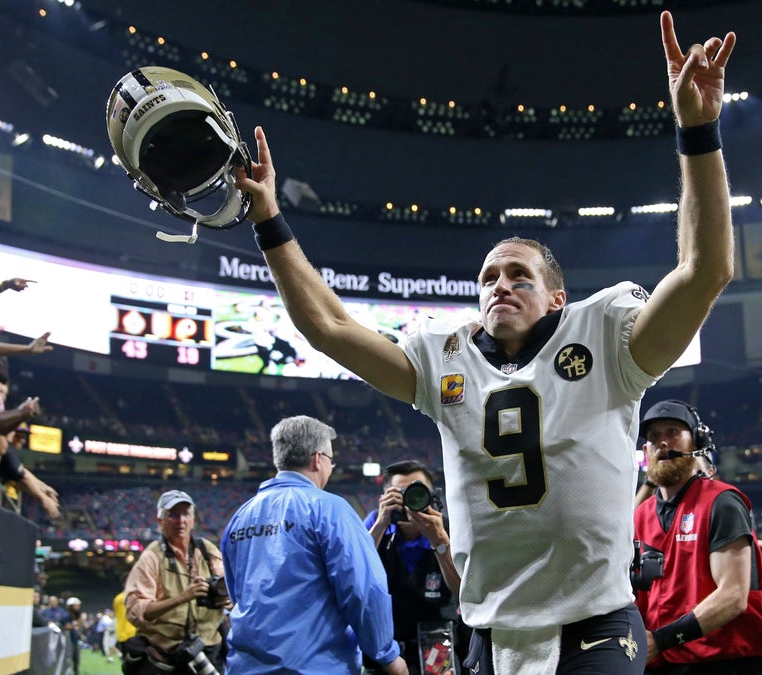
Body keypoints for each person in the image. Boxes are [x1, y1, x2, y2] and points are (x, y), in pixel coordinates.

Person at [230, 12, 736, 673]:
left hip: (593, 620)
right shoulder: (446, 358)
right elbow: (327, 325)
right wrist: (268, 217)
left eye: (519, 274)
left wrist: (697, 131)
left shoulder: (607, 337)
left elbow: (705, 270)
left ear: (558, 295)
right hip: (488, 627)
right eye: (489, 276)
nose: (500, 284)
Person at [221, 415, 408, 674]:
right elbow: (364, 591)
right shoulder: (330, 509)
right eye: (332, 460)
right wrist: (387, 655)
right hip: (314, 666)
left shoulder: (240, 517)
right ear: (317, 459)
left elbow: (238, 596)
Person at [632, 400, 762, 674]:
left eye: (672, 432)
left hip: (730, 660)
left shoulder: (721, 502)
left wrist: (660, 639)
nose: (663, 443)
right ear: (646, 451)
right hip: (666, 660)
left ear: (696, 444)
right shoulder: (640, 515)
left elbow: (734, 595)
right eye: (654, 437)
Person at [364, 460, 462, 674]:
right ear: (385, 498)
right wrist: (381, 523)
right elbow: (355, 573)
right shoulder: (376, 524)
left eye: (416, 492)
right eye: (400, 494)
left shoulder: (447, 528)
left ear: (432, 497)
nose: (409, 501)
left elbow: (460, 589)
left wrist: (439, 540)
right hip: (387, 644)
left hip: (437, 639)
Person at [125, 490, 229, 672]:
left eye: (186, 514)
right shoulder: (152, 557)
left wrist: (226, 597)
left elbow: (226, 584)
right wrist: (183, 597)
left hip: (209, 648)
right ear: (160, 521)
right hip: (167, 654)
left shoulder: (206, 549)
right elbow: (136, 611)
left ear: (193, 520)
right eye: (173, 515)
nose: (181, 521)